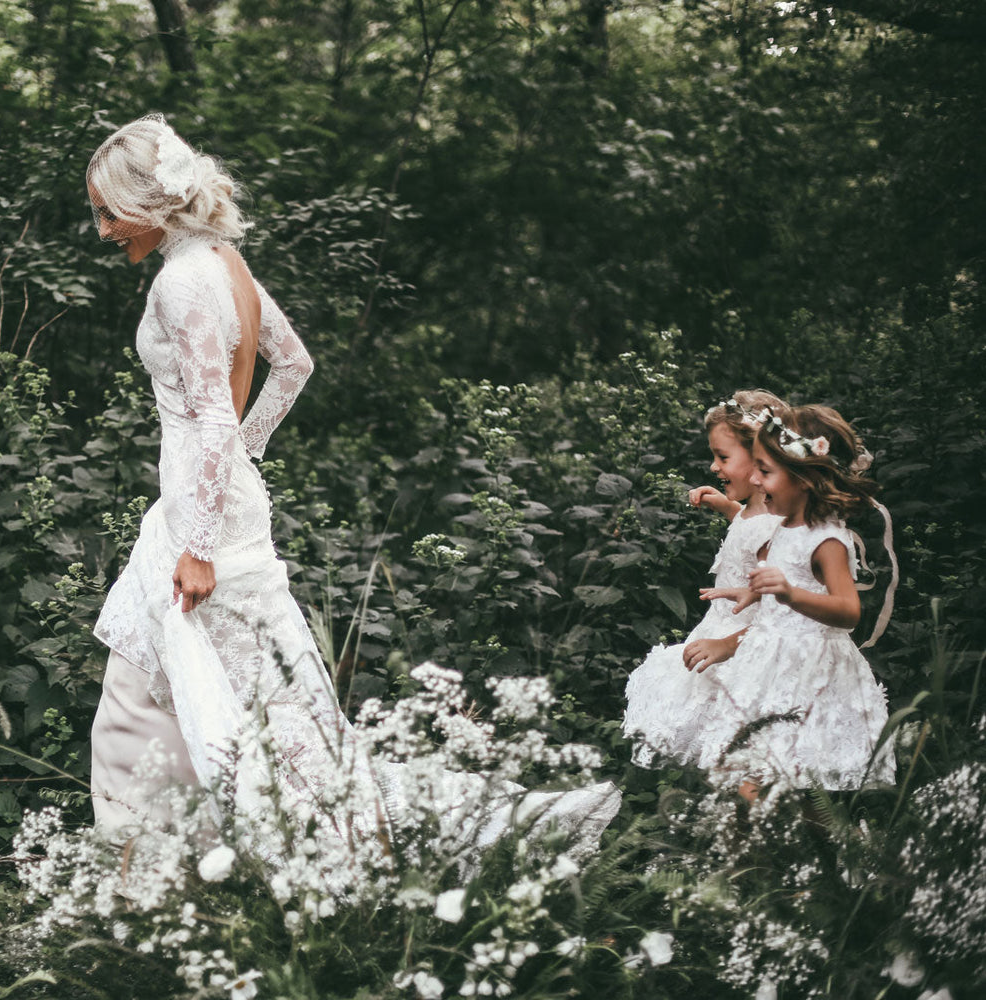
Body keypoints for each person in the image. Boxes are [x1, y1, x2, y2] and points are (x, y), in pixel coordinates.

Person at [83, 114, 619, 858]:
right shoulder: (226, 263)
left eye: (108, 212)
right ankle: (163, 861)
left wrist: (204, 532)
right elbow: (294, 364)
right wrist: (243, 458)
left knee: (262, 722)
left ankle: (203, 858)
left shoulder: (182, 280)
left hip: (200, 527)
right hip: (205, 506)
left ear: (151, 202)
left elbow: (211, 415)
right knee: (181, 694)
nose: (103, 230)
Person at [671, 403, 896, 793]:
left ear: (805, 478)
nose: (755, 481)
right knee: (743, 773)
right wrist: (751, 592)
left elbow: (848, 611)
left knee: (797, 787)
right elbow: (776, 605)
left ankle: (801, 850)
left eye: (766, 471)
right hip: (767, 666)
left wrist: (791, 594)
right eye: (755, 467)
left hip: (809, 674)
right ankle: (762, 849)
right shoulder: (783, 528)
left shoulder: (826, 540)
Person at [622, 390, 785, 772]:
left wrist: (727, 645)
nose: (714, 467)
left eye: (723, 457)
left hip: (749, 655)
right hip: (724, 638)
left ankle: (806, 828)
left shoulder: (776, 530)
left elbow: (783, 615)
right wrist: (728, 508)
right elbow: (749, 525)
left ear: (763, 458)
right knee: (732, 763)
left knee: (752, 761)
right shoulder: (757, 513)